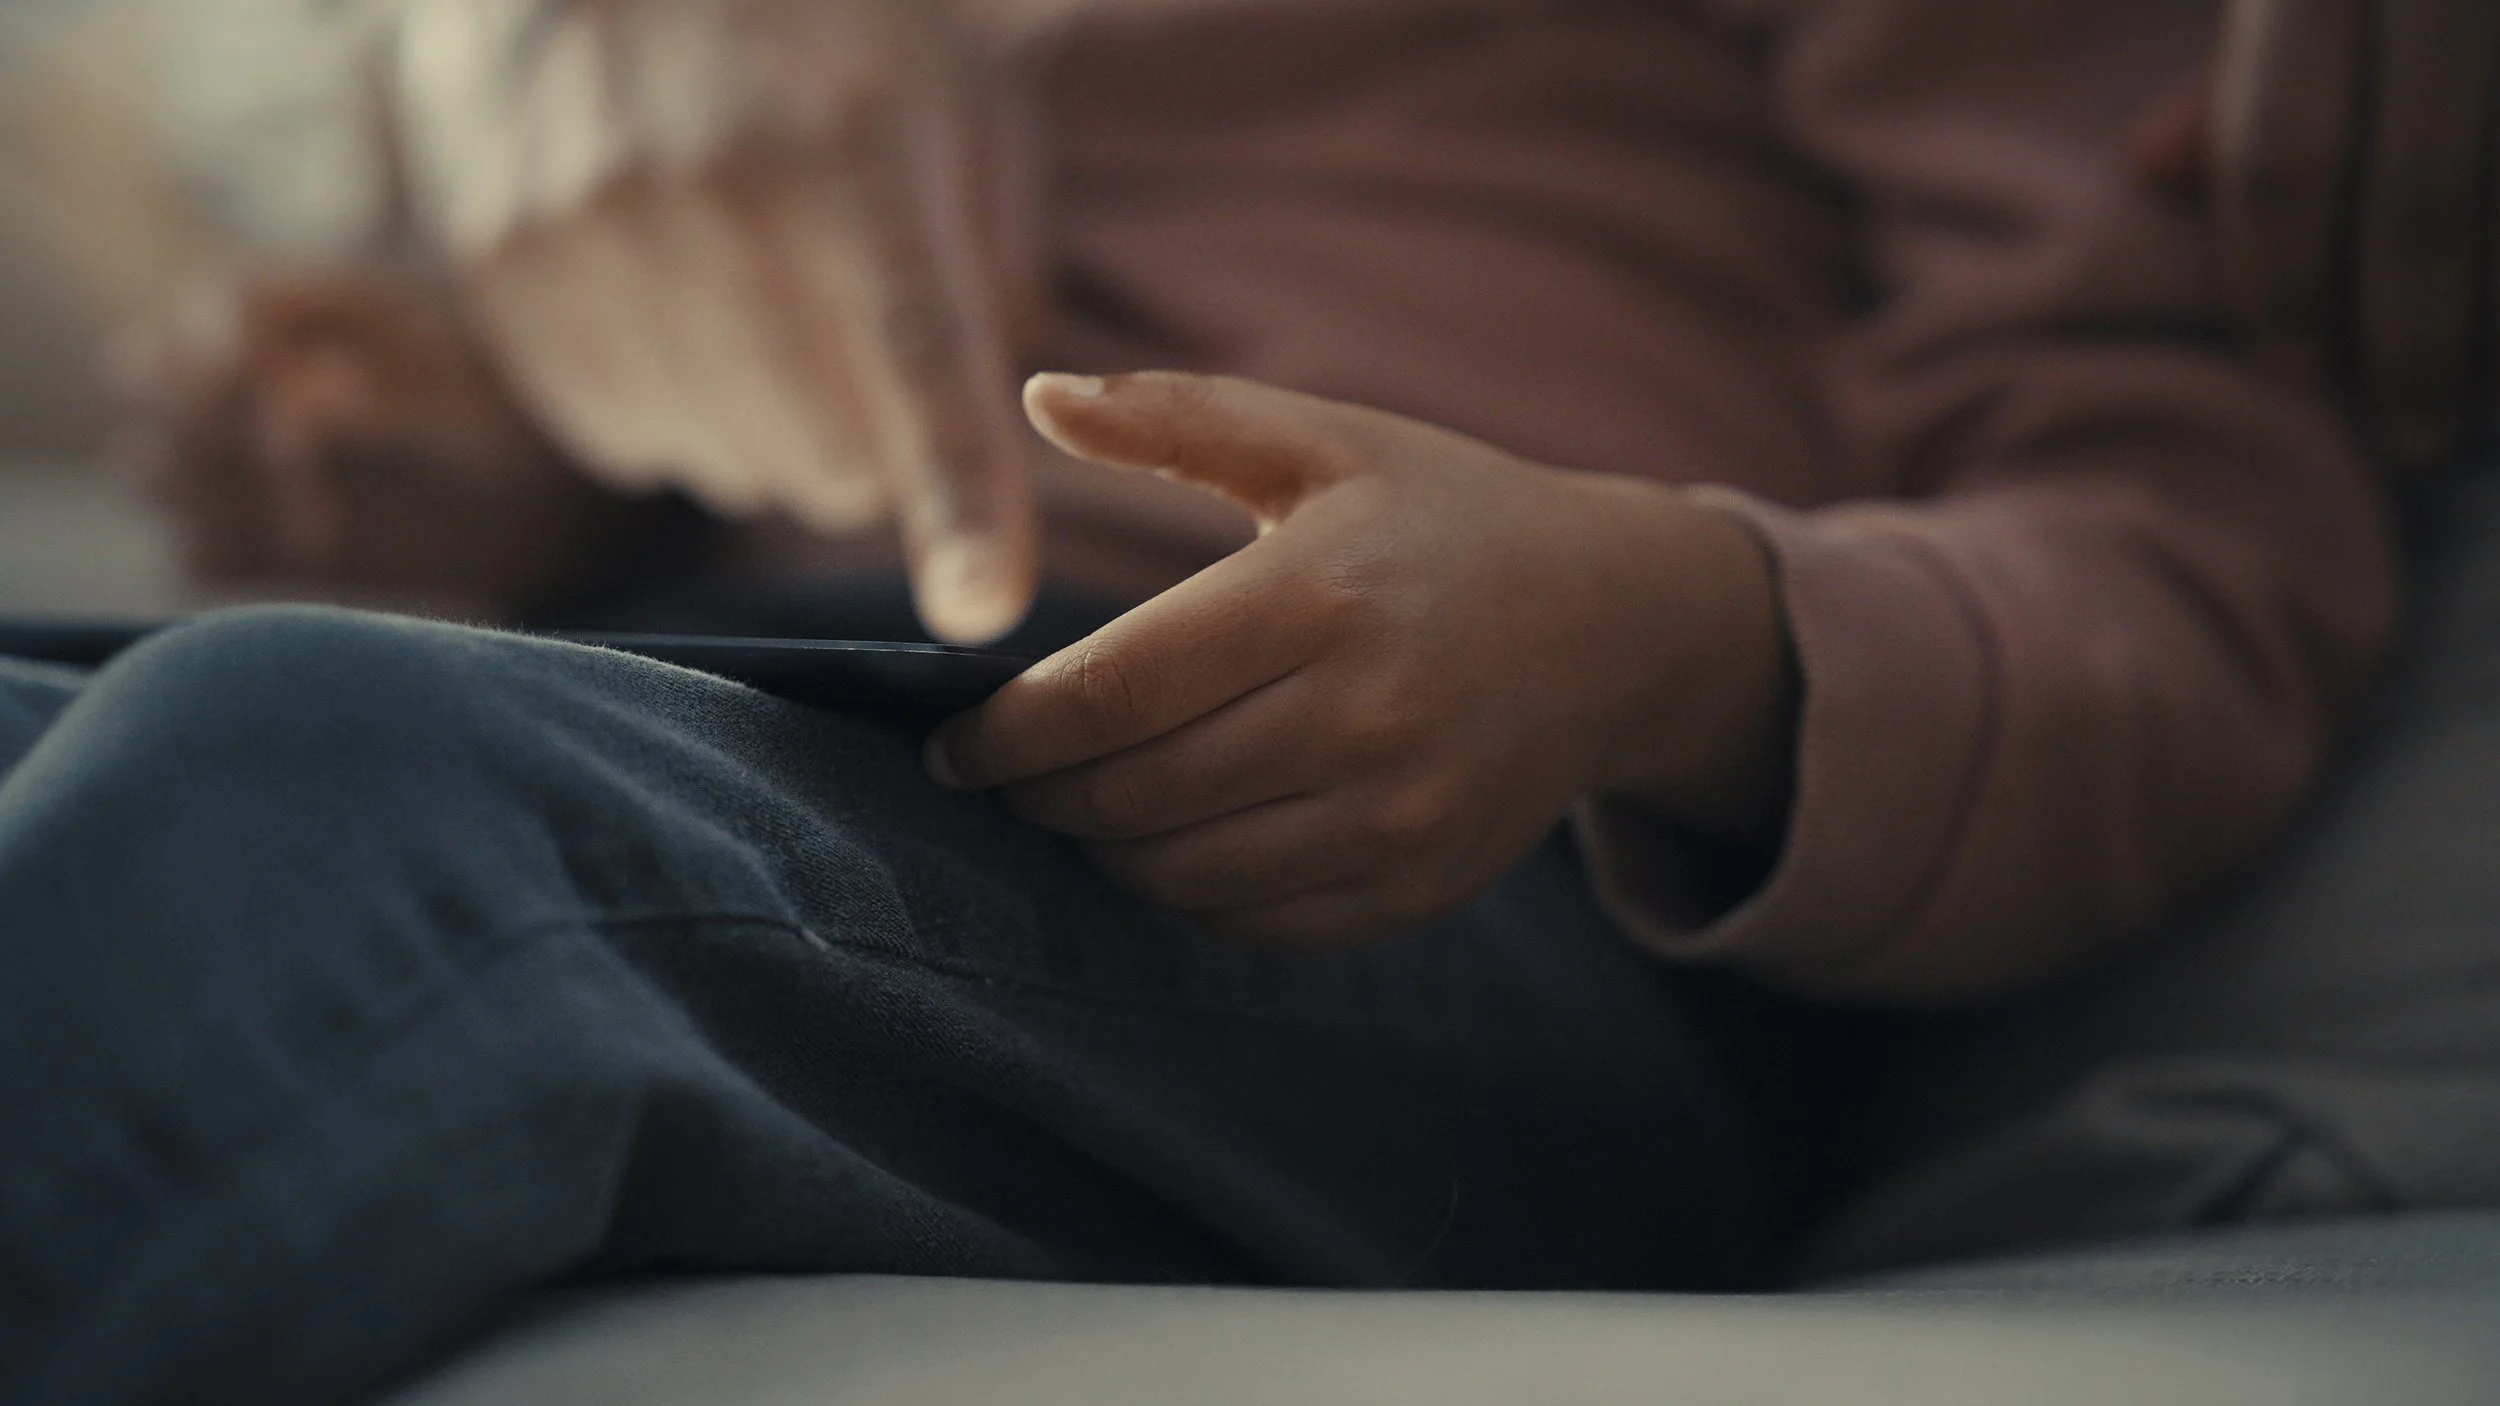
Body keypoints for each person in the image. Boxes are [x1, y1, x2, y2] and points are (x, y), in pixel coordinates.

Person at [0, 0, 2429, 1401]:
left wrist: (1643, 628)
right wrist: (499, 464)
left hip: (1443, 852)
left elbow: (2171, 562)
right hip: (762, 692)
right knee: (215, 733)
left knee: (311, 788)